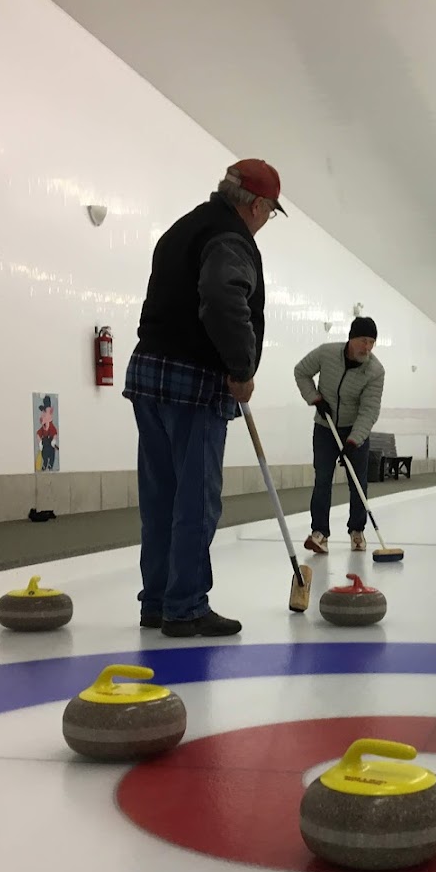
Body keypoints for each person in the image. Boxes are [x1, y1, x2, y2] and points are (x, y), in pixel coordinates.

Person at [122, 159, 285, 637]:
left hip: (149, 376)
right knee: (196, 501)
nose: (266, 221)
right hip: (192, 384)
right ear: (257, 205)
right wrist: (241, 368)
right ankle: (186, 606)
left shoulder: (182, 228)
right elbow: (221, 296)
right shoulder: (230, 238)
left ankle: (157, 602)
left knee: (161, 499)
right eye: (270, 212)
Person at [293, 316, 385, 553]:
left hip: (355, 429)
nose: (367, 347)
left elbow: (369, 410)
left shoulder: (375, 371)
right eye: (363, 340)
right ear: (351, 338)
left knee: (357, 481)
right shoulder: (327, 353)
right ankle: (320, 533)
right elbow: (301, 372)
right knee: (323, 479)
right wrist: (315, 399)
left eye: (372, 342)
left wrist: (354, 441)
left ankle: (357, 530)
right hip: (325, 427)